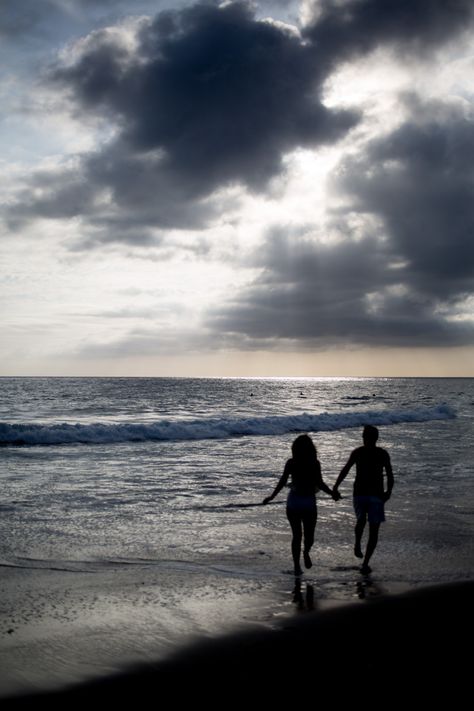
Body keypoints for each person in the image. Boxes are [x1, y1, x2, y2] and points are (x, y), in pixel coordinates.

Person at [263, 434, 339, 576]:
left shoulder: (309, 463)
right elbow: (284, 480)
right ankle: (298, 564)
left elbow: (319, 483)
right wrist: (272, 496)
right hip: (302, 502)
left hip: (297, 502)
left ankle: (303, 555)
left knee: (302, 536)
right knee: (302, 536)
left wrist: (332, 493)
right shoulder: (296, 463)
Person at [333, 425, 394, 575]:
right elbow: (390, 475)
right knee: (374, 530)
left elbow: (345, 469)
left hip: (359, 494)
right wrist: (388, 492)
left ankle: (357, 544)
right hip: (377, 495)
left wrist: (335, 486)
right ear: (376, 438)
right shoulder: (382, 453)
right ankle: (365, 563)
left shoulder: (358, 452)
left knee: (360, 520)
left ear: (363, 437)